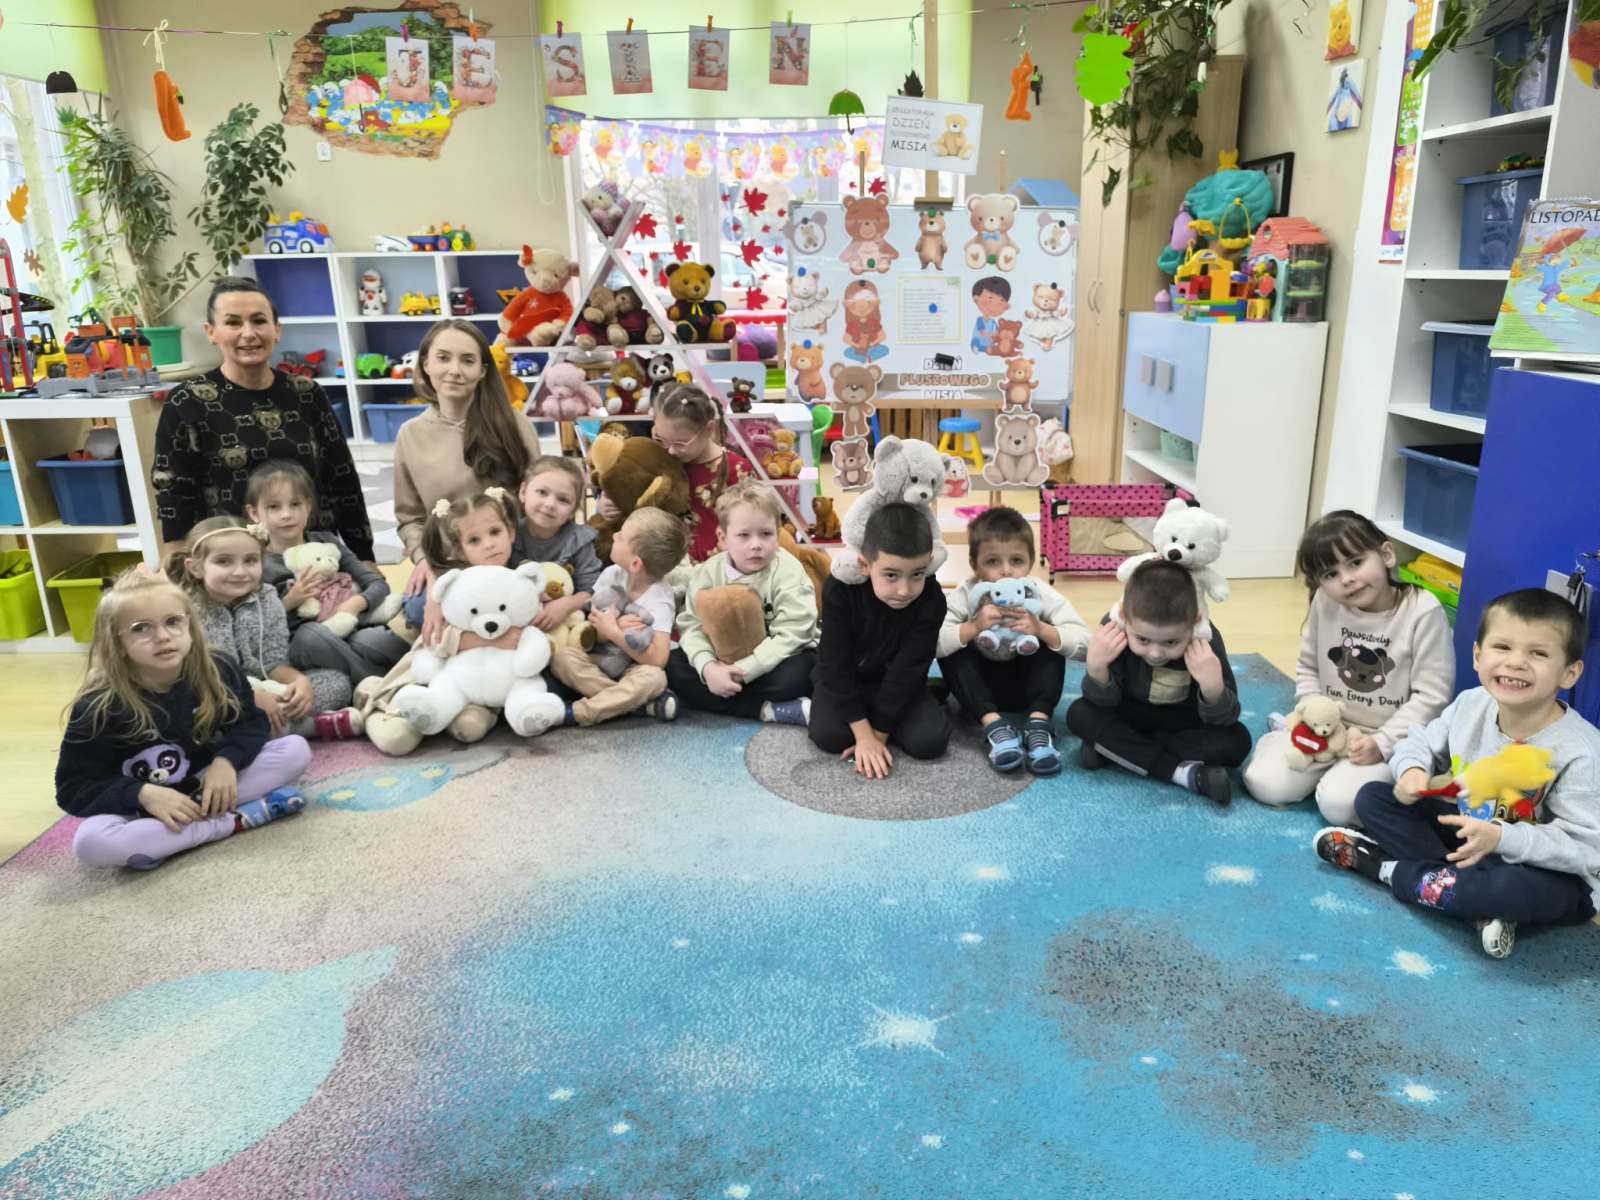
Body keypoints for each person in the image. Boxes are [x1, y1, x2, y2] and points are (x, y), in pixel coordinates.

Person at [1317, 589, 1600, 960]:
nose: (1516, 662)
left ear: (1569, 673)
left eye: (1538, 653)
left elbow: (1586, 850)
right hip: (1469, 841)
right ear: (1478, 656)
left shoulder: (1583, 751)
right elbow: (1420, 741)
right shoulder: (1471, 702)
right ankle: (1470, 902)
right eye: (1503, 647)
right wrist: (1412, 769)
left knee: (1507, 890)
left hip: (1543, 871)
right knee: (1373, 797)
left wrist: (1501, 838)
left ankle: (1385, 869)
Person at [55, 569, 312, 870]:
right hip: (142, 806)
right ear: (117, 643)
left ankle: (172, 835)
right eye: (141, 628)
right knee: (91, 843)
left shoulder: (218, 668)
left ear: (189, 624)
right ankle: (231, 822)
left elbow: (251, 724)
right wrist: (142, 794)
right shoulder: (97, 706)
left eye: (173, 621)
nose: (163, 637)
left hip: (207, 782)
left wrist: (227, 762)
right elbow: (73, 787)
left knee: (295, 749)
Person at [1243, 511, 1454, 824]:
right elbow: (1309, 667)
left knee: (1340, 805)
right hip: (1327, 727)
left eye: (1355, 562)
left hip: (1390, 738)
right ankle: (1281, 736)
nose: (1346, 579)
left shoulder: (1422, 611)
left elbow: (1432, 697)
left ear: (1386, 555)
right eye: (1330, 574)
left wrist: (1382, 743)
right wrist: (1312, 712)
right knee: (1264, 784)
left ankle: (1354, 772)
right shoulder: (1325, 601)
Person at [152, 276, 371, 562]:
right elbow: (174, 492)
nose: (249, 333)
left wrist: (363, 556)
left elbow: (342, 479)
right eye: (233, 323)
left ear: (276, 330)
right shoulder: (187, 401)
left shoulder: (306, 394)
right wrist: (176, 565)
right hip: (231, 563)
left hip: (312, 557)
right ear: (211, 332)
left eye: (259, 321)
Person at [394, 318, 541, 640]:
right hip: (449, 561)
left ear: (483, 370)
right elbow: (410, 518)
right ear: (426, 364)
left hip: (508, 555)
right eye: (443, 358)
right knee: (419, 610)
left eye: (468, 360)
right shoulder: (410, 434)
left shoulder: (515, 425)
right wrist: (425, 561)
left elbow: (537, 500)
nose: (455, 370)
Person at [1066, 559, 1251, 805]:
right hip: (1129, 716)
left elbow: (1226, 718)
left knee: (1238, 741)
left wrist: (1213, 689)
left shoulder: (1206, 639)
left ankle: (1117, 751)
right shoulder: (1113, 630)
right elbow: (1100, 704)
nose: (1155, 653)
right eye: (1142, 640)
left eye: (1171, 642)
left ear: (1194, 623)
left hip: (1182, 725)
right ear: (1124, 617)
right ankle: (1182, 773)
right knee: (1079, 713)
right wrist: (1097, 668)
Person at [359, 489, 523, 755]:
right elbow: (435, 640)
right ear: (460, 549)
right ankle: (373, 696)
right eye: (475, 540)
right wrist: (486, 640)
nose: (489, 544)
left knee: (470, 727)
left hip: (483, 682)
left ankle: (456, 714)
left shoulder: (517, 579)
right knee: (398, 739)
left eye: (495, 532)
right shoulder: (455, 585)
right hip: (437, 668)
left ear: (511, 531)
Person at [171, 516, 364, 740]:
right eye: (224, 562)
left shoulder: (268, 598)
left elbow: (274, 662)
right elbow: (189, 675)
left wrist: (298, 682)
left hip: (267, 687)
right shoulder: (182, 609)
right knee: (191, 710)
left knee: (337, 682)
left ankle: (265, 727)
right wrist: (250, 696)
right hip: (214, 691)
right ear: (195, 567)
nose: (240, 571)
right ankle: (303, 727)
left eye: (250, 561)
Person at [938, 506, 1090, 776]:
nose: (1006, 571)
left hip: (1028, 688)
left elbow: (1086, 643)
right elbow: (933, 643)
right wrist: (973, 627)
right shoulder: (967, 592)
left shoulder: (1038, 592)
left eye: (1017, 561)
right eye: (993, 562)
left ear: (1030, 562)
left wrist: (1041, 628)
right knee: (953, 645)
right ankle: (994, 726)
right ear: (974, 564)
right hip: (980, 693)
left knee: (1051, 636)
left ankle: (1039, 726)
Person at [810, 501, 950, 777]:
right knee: (830, 736)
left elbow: (909, 668)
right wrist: (863, 735)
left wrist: (878, 736)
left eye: (917, 574)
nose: (904, 590)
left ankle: (915, 703)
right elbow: (835, 663)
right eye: (891, 575)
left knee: (929, 741)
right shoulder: (839, 589)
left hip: (899, 681)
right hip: (848, 677)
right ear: (865, 565)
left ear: (930, 562)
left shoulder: (932, 599)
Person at [667, 478, 819, 724]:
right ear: (723, 537)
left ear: (778, 533)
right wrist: (708, 668)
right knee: (673, 665)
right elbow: (692, 625)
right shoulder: (706, 573)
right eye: (744, 536)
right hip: (721, 659)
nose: (756, 545)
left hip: (778, 660)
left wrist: (745, 671)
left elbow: (795, 632)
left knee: (802, 674)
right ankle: (766, 710)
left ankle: (729, 697)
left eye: (766, 534)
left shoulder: (788, 570)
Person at [247, 461, 408, 686]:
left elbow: (377, 584)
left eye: (295, 504)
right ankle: (384, 683)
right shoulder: (257, 562)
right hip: (304, 644)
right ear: (254, 513)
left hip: (350, 627)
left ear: (308, 507)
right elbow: (256, 625)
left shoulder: (328, 542)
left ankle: (367, 680)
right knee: (310, 636)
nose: (286, 514)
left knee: (381, 641)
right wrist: (289, 602)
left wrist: (356, 603)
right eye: (274, 507)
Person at [551, 507, 686, 726]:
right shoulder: (611, 574)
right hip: (601, 659)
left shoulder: (661, 599)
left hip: (634, 668)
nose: (614, 536)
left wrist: (616, 633)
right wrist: (605, 633)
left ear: (635, 563)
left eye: (621, 536)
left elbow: (658, 660)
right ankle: (639, 705)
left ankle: (580, 712)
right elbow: (591, 626)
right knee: (562, 658)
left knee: (654, 678)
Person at [645, 384, 755, 563]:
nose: (670, 450)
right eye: (660, 439)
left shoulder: (737, 469)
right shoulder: (660, 459)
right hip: (665, 566)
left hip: (720, 569)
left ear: (708, 429)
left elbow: (754, 525)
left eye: (680, 444)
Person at [513, 455, 603, 637]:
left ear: (573, 510)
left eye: (563, 500)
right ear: (523, 492)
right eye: (542, 492)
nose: (550, 504)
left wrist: (567, 604)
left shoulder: (579, 540)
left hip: (564, 626)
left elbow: (593, 590)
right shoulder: (508, 535)